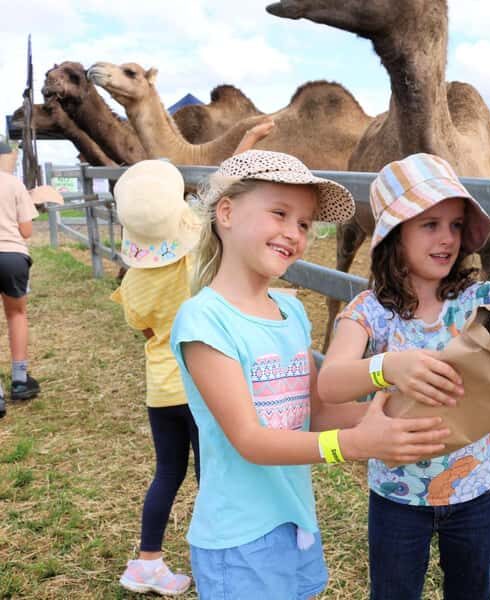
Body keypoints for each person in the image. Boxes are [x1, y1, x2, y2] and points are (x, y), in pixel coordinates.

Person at [169, 149, 450, 599]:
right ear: (226, 212)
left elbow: (315, 412)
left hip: (295, 520)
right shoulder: (204, 321)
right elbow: (251, 441)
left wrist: (400, 414)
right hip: (238, 537)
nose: (293, 233)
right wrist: (355, 445)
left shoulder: (292, 311)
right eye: (279, 213)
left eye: (303, 223)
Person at [318, 153, 490, 600]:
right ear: (394, 235)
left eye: (454, 225)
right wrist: (387, 366)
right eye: (429, 224)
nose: (446, 238)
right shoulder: (370, 312)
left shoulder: (483, 300)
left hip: (475, 491)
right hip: (397, 496)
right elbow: (330, 383)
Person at [111, 160, 201, 595]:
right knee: (211, 477)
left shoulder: (132, 283)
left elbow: (142, 327)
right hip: (202, 386)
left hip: (160, 387)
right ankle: (212, 557)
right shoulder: (192, 264)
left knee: (167, 472)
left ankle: (148, 561)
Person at [0, 141, 40, 419]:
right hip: (12, 256)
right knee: (17, 314)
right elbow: (26, 231)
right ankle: (20, 379)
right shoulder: (13, 184)